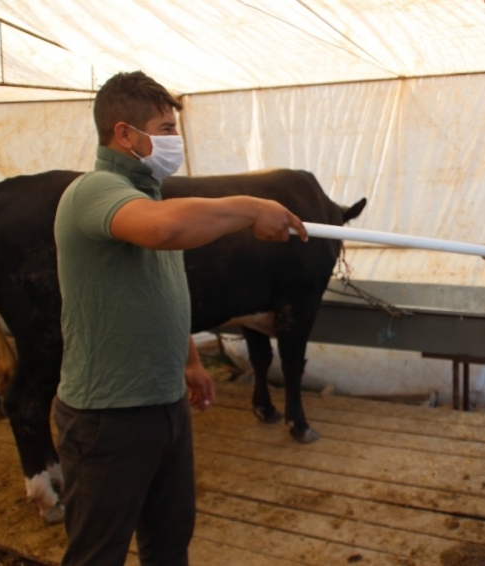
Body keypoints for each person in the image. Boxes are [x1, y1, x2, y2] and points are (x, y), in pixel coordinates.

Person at [52, 71, 308, 566]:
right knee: (97, 554)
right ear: (125, 134)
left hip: (164, 405)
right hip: (108, 417)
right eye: (165, 128)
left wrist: (190, 361)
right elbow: (165, 231)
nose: (176, 140)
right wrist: (251, 206)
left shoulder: (151, 195)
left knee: (169, 545)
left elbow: (159, 290)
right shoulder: (95, 191)